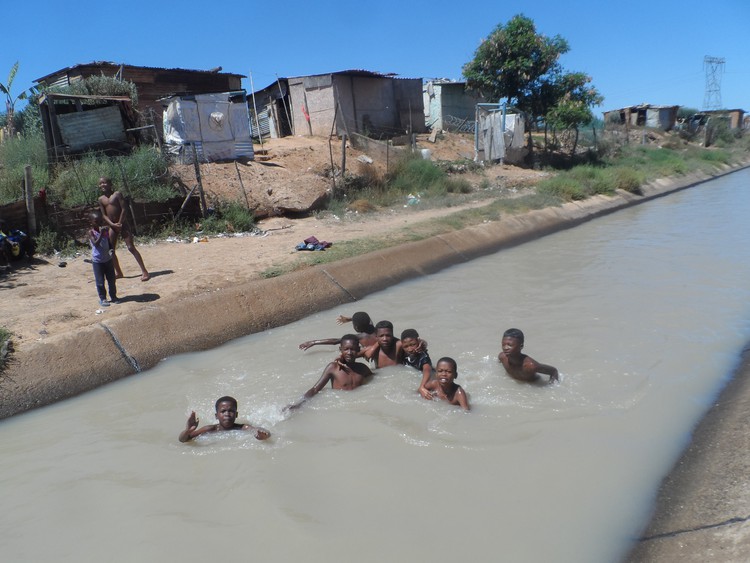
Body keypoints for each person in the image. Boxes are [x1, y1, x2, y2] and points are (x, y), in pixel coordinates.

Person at [286, 334, 373, 411]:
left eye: (353, 349)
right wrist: (299, 404)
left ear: (358, 349)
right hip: (341, 408)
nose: (349, 353)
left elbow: (375, 382)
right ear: (340, 349)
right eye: (346, 349)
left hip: (359, 406)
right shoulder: (333, 368)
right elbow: (315, 389)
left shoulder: (363, 368)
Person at [98, 177, 150, 281]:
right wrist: (112, 224)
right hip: (112, 226)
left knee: (130, 247)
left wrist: (120, 223)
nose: (102, 185)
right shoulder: (101, 199)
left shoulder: (117, 194)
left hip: (123, 224)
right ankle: (119, 272)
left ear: (110, 184)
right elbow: (104, 215)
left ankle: (144, 271)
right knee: (110, 250)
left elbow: (124, 209)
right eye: (100, 183)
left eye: (105, 183)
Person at [179, 396, 270, 442]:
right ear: (216, 416)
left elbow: (260, 430)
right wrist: (187, 431)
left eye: (231, 411)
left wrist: (263, 435)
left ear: (236, 414)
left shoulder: (242, 428)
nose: (227, 414)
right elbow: (183, 440)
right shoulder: (210, 429)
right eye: (223, 411)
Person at [299, 311, 377, 351]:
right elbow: (367, 318)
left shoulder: (359, 337)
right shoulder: (376, 329)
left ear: (356, 327)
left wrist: (314, 342)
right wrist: (350, 319)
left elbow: (335, 341)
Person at [88, 211, 119, 307]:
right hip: (98, 261)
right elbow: (96, 243)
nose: (99, 223)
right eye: (96, 221)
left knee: (111, 279)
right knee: (100, 281)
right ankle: (103, 298)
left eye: (100, 221)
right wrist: (101, 233)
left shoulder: (105, 231)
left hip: (108, 259)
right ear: (91, 222)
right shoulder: (91, 232)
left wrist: (111, 250)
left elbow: (108, 241)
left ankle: (113, 296)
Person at [400, 328, 434, 400]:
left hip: (429, 376)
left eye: (413, 345)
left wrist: (422, 387)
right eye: (406, 346)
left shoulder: (423, 356)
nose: (410, 349)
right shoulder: (403, 352)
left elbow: (427, 370)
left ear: (418, 342)